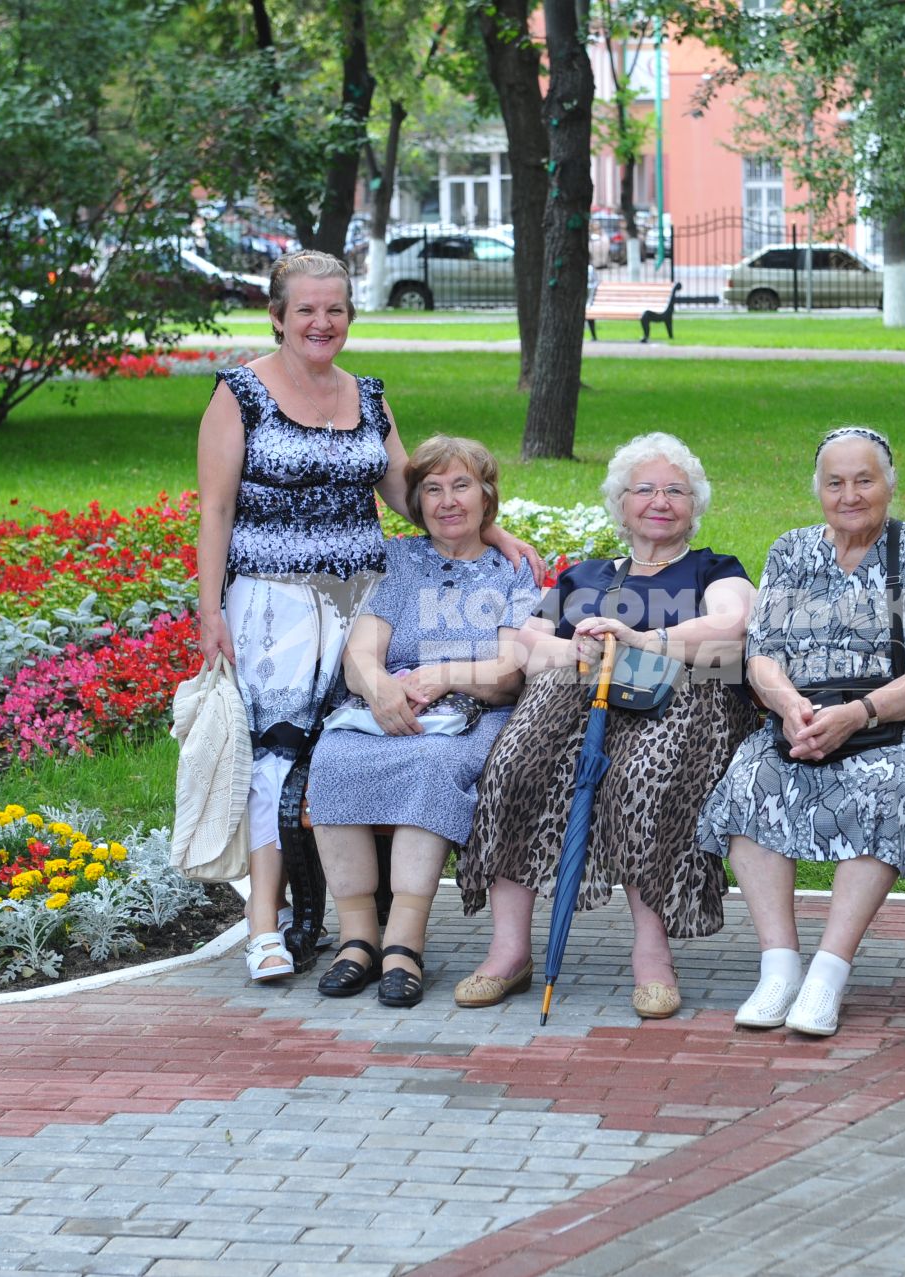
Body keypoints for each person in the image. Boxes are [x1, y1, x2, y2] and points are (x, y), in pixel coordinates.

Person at [195, 250, 537, 984]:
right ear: (278, 317)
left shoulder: (369, 397)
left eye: (336, 309)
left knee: (349, 746)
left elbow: (414, 494)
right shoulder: (242, 394)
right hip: (273, 597)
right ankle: (266, 925)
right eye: (307, 310)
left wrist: (494, 531)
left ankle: (359, 924)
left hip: (363, 594)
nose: (322, 323)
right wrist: (209, 607)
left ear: (350, 315)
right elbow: (216, 508)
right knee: (278, 755)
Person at [454, 432, 758, 1019]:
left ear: (694, 505)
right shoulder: (588, 577)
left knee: (639, 780)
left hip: (685, 702)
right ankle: (509, 952)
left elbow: (733, 624)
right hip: (578, 698)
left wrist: (644, 640)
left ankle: (652, 958)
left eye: (676, 490)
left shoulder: (712, 568)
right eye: (643, 489)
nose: (659, 500)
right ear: (621, 505)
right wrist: (577, 649)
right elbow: (524, 643)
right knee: (513, 768)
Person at [699, 428, 905, 1037]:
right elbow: (761, 655)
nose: (850, 495)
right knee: (750, 779)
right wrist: (789, 704)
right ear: (818, 490)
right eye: (835, 482)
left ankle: (828, 973)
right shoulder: (792, 553)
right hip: (810, 722)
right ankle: (779, 969)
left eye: (864, 480)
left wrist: (860, 714)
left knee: (884, 786)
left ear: (890, 486)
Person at [304, 436, 539, 1007]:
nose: (447, 500)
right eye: (432, 489)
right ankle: (356, 939)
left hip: (474, 713)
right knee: (334, 756)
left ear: (487, 498)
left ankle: (404, 945)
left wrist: (447, 675)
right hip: (391, 710)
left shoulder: (511, 571)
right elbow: (361, 652)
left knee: (432, 763)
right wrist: (381, 688)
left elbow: (510, 671)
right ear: (416, 501)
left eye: (461, 486)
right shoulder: (399, 560)